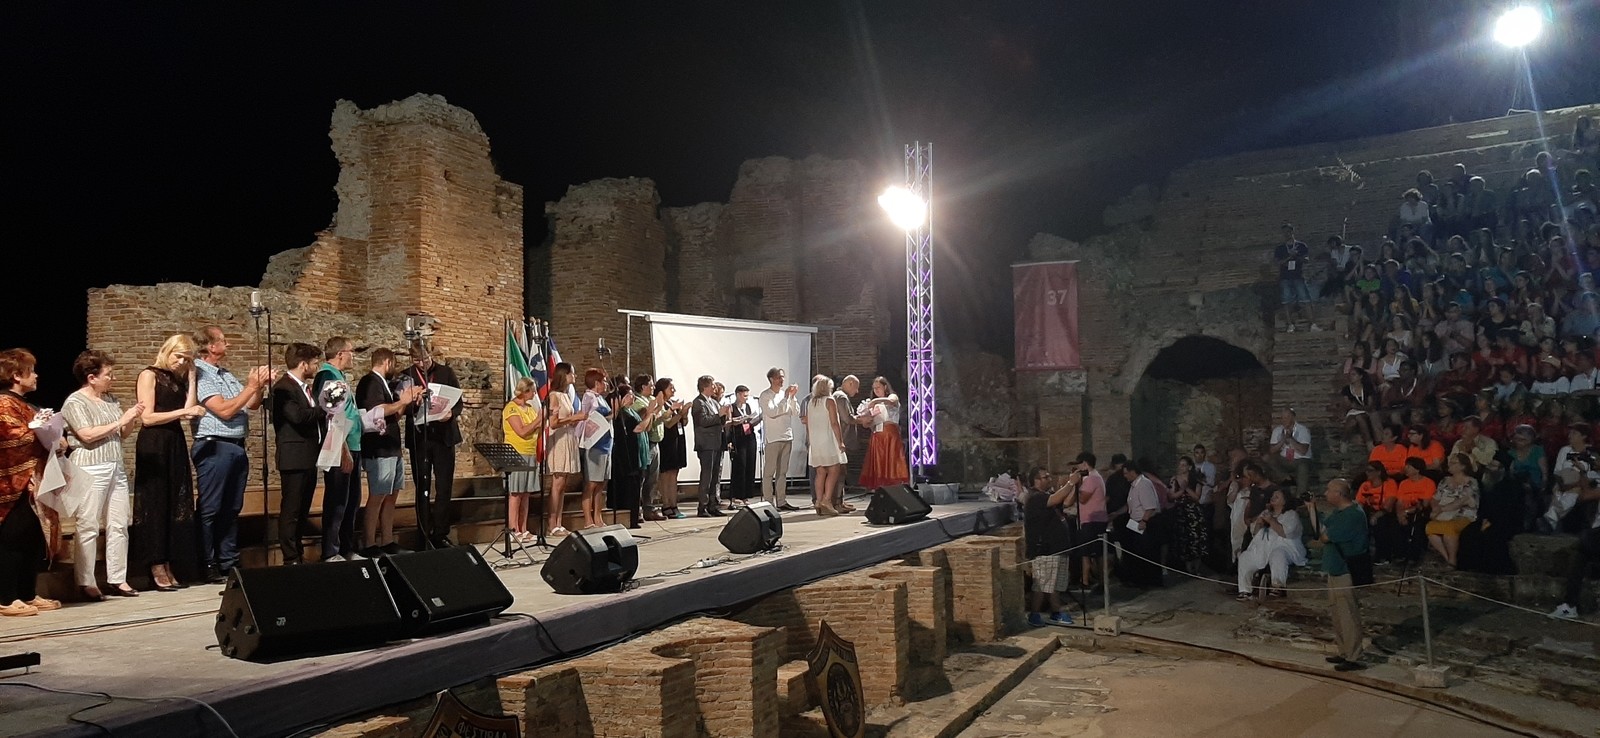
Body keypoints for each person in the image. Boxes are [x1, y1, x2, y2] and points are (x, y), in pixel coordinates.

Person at [60, 350, 144, 600]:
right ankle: (86, 581)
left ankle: (118, 578)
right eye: (108, 374)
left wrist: (131, 418)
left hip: (115, 465)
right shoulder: (74, 402)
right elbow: (86, 435)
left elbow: (123, 434)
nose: (112, 379)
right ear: (91, 377)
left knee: (119, 524)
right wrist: (120, 421)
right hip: (90, 466)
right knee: (88, 525)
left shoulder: (110, 400)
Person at [190, 326, 268, 583]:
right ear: (210, 346)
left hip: (235, 445)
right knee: (211, 507)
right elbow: (224, 410)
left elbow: (251, 404)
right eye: (223, 341)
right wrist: (250, 386)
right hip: (215, 446)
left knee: (232, 507)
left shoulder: (226, 374)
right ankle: (207, 562)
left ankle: (229, 561)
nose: (228, 345)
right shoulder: (200, 373)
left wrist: (258, 387)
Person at [133, 334, 206, 588]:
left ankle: (169, 562)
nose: (181, 362)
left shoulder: (178, 379)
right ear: (167, 351)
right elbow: (148, 417)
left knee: (176, 500)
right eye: (178, 357)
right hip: (154, 441)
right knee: (155, 501)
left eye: (187, 359)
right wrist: (184, 411)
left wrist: (192, 378)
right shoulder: (149, 375)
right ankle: (155, 563)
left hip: (174, 440)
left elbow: (190, 410)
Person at [0, 349, 62, 616]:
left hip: (36, 480)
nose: (36, 376)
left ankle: (27, 592)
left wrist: (56, 439)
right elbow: (11, 438)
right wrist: (39, 434)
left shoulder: (28, 405)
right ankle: (6, 598)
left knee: (32, 538)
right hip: (14, 482)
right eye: (31, 371)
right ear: (16, 375)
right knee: (13, 538)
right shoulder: (4, 403)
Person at [358, 348, 421, 555]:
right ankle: (369, 542)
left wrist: (407, 401)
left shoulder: (384, 383)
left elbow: (394, 415)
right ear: (387, 362)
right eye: (393, 363)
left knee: (392, 494)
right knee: (378, 494)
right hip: (378, 447)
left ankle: (387, 540)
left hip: (392, 446)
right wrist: (401, 401)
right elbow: (377, 411)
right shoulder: (370, 382)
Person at [404, 342, 463, 549]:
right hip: (420, 438)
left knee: (444, 487)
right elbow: (402, 408)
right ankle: (423, 533)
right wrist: (414, 403)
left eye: (425, 359)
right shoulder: (407, 376)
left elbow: (458, 402)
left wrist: (451, 413)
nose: (422, 364)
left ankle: (440, 533)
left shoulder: (446, 372)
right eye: (417, 361)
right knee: (422, 487)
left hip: (443, 437)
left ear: (431, 354)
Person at [271, 343, 324, 566]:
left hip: (308, 455)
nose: (316, 367)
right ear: (303, 364)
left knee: (303, 509)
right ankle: (290, 556)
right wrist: (325, 407)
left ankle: (298, 551)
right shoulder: (283, 388)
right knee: (291, 509)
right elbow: (298, 416)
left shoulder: (304, 388)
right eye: (314, 363)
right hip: (294, 455)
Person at [314, 337, 361, 561]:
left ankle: (346, 548)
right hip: (340, 446)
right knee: (337, 501)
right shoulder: (328, 376)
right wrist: (343, 449)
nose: (353, 356)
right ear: (340, 354)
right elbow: (331, 416)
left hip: (353, 443)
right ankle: (331, 551)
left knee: (351, 500)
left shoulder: (339, 376)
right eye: (351, 352)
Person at [1317, 479, 1369, 671]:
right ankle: (1344, 651)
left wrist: (1325, 533)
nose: (1325, 493)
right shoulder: (1339, 512)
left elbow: (1326, 536)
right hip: (1335, 567)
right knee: (1337, 613)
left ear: (1339, 494)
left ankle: (1353, 655)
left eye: (1329, 490)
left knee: (1347, 614)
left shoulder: (1352, 515)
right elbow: (1322, 529)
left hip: (1345, 569)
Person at [1020, 467, 1074, 627]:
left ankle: (1056, 612)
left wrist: (1073, 485)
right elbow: (1056, 499)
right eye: (1046, 477)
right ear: (1036, 480)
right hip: (1044, 549)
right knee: (1042, 584)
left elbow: (1066, 501)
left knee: (1054, 583)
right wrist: (1070, 483)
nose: (1049, 479)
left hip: (1057, 548)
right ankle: (1034, 614)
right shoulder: (1035, 497)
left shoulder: (1045, 495)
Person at [1235, 488, 1307, 600]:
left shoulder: (1291, 515)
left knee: (1278, 555)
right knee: (1245, 557)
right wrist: (1259, 523)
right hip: (1264, 547)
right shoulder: (1266, 513)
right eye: (1273, 496)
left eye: (1277, 497)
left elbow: (1285, 533)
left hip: (1285, 547)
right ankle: (1245, 590)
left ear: (1284, 501)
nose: (1273, 498)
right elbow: (1255, 533)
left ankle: (1277, 587)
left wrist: (1271, 521)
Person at [605, 380, 650, 529]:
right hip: (625, 455)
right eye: (630, 395)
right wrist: (650, 413)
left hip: (636, 452)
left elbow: (645, 427)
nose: (633, 397)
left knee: (636, 487)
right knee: (628, 487)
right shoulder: (621, 414)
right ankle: (628, 518)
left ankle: (635, 516)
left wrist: (651, 414)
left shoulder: (631, 411)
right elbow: (637, 428)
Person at [543, 363, 582, 535]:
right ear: (563, 375)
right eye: (572, 373)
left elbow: (567, 419)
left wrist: (576, 420)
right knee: (557, 483)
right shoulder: (554, 396)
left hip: (568, 437)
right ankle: (551, 524)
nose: (574, 376)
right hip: (558, 441)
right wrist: (573, 418)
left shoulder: (566, 395)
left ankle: (559, 522)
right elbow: (553, 423)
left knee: (563, 484)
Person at [502, 377, 542, 543]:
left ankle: (523, 529)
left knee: (526, 493)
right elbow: (522, 431)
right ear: (524, 391)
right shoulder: (511, 408)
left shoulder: (530, 409)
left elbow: (536, 428)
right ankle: (513, 529)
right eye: (533, 391)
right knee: (516, 493)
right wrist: (538, 420)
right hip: (516, 453)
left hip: (530, 453)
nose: (535, 394)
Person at [1062, 452, 1108, 587]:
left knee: (1087, 552)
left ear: (1084, 464)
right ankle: (1098, 581)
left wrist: (1075, 484)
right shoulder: (1096, 477)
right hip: (1094, 519)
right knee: (1094, 552)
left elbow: (1082, 498)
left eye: (1079, 465)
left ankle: (1086, 580)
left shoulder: (1092, 479)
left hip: (1092, 520)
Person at [758, 368, 801, 511]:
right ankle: (768, 502)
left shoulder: (785, 394)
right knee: (769, 472)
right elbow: (772, 412)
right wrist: (786, 398)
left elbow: (796, 412)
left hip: (787, 436)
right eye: (778, 377)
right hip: (773, 438)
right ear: (771, 379)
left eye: (782, 377)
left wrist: (792, 397)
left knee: (782, 472)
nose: (781, 380)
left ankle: (781, 501)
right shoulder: (766, 395)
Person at [806, 375, 849, 517]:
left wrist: (810, 440)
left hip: (815, 440)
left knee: (820, 471)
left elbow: (808, 424)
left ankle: (818, 501)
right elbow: (834, 423)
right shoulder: (829, 400)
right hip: (827, 438)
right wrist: (840, 441)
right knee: (834, 468)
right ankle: (827, 499)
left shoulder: (811, 402)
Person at [577, 368, 614, 529]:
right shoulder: (589, 397)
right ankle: (588, 519)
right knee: (591, 483)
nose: (605, 384)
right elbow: (591, 417)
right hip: (594, 444)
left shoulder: (601, 398)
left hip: (606, 444)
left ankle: (598, 516)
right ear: (596, 383)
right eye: (603, 381)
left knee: (601, 484)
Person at [857, 377, 910, 489]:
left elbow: (892, 401)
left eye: (878, 387)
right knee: (878, 461)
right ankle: (879, 486)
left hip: (889, 433)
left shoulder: (892, 396)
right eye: (874, 388)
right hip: (877, 434)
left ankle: (892, 485)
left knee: (891, 459)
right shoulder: (872, 403)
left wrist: (875, 401)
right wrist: (866, 420)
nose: (876, 390)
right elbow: (867, 425)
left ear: (885, 387)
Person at [1427, 454, 1479, 568]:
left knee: (1449, 530)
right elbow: (1435, 498)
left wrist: (1440, 509)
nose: (1449, 464)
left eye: (1453, 463)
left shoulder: (1471, 482)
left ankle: (1452, 560)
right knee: (1430, 529)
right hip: (1443, 513)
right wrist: (1435, 508)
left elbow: (1462, 501)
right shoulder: (1445, 480)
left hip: (1463, 514)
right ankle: (1448, 558)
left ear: (1463, 466)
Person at [1119, 458, 1164, 587]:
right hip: (1136, 522)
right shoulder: (1134, 485)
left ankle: (1149, 581)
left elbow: (1150, 506)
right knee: (1139, 552)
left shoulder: (1144, 484)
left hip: (1146, 523)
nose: (1125, 476)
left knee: (1147, 552)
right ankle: (1140, 579)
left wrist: (1144, 521)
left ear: (1132, 472)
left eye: (1126, 473)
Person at [691, 374, 729, 518]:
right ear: (705, 386)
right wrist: (719, 415)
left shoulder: (713, 402)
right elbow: (703, 421)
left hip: (717, 443)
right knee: (707, 476)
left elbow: (720, 421)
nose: (715, 387)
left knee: (715, 476)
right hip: (706, 444)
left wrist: (724, 414)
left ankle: (713, 505)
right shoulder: (698, 402)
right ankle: (703, 506)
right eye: (712, 385)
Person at [653, 377, 690, 520]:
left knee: (674, 473)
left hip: (677, 439)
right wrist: (678, 413)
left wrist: (684, 413)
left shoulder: (672, 403)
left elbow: (683, 423)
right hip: (667, 441)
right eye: (670, 388)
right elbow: (667, 423)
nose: (674, 390)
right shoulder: (662, 405)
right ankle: (666, 505)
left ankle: (674, 505)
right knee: (666, 474)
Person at [1169, 456, 1208, 574]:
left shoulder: (1196, 480)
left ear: (1189, 467)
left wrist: (1187, 488)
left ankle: (1197, 567)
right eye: (1180, 465)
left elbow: (1197, 497)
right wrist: (1181, 490)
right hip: (1181, 513)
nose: (1181, 467)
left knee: (1196, 539)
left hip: (1194, 513)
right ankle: (1188, 569)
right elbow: (1171, 496)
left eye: (1184, 465)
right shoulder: (1174, 479)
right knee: (1184, 540)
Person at [631, 373, 662, 519]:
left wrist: (660, 408)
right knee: (643, 477)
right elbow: (645, 420)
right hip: (645, 442)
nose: (653, 387)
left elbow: (658, 418)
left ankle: (649, 508)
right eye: (651, 385)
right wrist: (656, 409)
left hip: (655, 442)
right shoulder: (638, 402)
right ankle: (637, 509)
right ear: (643, 386)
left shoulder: (650, 400)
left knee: (653, 478)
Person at [725, 385, 761, 505]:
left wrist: (756, 419)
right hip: (738, 438)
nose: (746, 398)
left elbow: (749, 423)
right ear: (738, 395)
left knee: (750, 465)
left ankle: (746, 495)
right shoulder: (732, 407)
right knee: (740, 466)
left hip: (749, 437)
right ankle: (737, 494)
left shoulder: (748, 406)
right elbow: (728, 423)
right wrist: (738, 421)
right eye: (744, 396)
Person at [831, 375, 863, 511]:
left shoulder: (839, 396)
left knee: (841, 471)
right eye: (856, 387)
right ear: (849, 383)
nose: (857, 391)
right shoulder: (841, 397)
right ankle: (837, 502)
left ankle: (840, 501)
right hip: (841, 439)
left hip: (841, 439)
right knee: (840, 472)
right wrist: (862, 419)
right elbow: (847, 418)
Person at [1263, 409, 1312, 494]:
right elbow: (1272, 450)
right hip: (1285, 459)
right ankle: (1286, 478)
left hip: (1300, 460)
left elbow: (1303, 450)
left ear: (1293, 418)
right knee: (1267, 458)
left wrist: (1291, 439)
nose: (1284, 420)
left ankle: (1300, 495)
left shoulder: (1303, 430)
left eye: (1287, 417)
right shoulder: (1277, 430)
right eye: (1282, 418)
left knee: (1303, 467)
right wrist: (1282, 440)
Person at [1276, 223, 1314, 330]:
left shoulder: (1301, 246)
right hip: (1285, 277)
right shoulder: (1280, 248)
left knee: (1305, 299)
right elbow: (1278, 263)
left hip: (1298, 276)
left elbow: (1306, 260)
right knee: (1286, 301)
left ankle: (1312, 324)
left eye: (1288, 232)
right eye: (1284, 232)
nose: (1286, 234)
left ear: (1292, 232)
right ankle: (1290, 325)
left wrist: (1297, 256)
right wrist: (1290, 256)